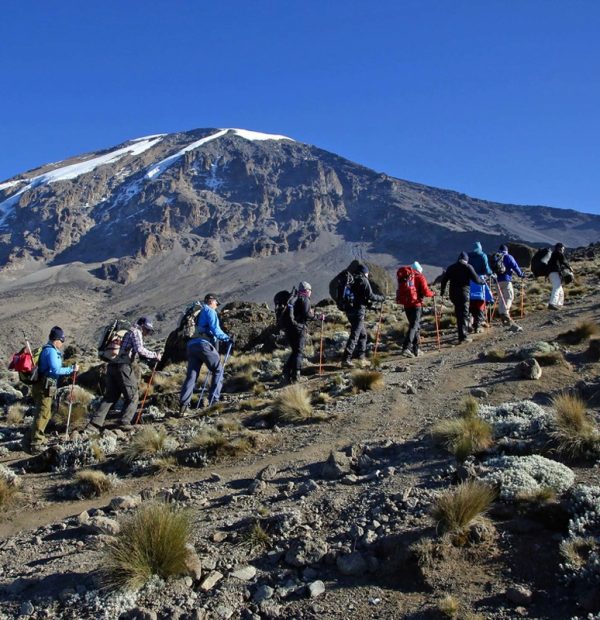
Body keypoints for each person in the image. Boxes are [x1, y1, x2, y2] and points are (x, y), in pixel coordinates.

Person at [88, 317, 161, 430]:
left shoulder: (128, 331)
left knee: (110, 396)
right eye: (147, 329)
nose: (147, 332)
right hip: (123, 366)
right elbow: (140, 349)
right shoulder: (136, 331)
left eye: (149, 331)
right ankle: (124, 421)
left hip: (112, 366)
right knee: (133, 396)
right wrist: (155, 355)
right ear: (141, 325)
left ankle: (93, 424)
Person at [28, 326, 78, 453]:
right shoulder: (50, 351)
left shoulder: (50, 350)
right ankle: (36, 443)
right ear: (56, 339)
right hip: (44, 386)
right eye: (61, 341)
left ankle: (35, 437)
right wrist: (71, 369)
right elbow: (56, 369)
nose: (62, 344)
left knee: (46, 411)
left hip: (46, 385)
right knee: (43, 412)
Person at [179, 294, 232, 414]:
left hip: (191, 346)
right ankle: (214, 401)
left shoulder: (196, 313)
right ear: (211, 301)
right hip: (203, 344)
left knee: (192, 376)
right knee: (218, 369)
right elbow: (215, 329)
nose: (217, 306)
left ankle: (183, 406)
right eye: (216, 303)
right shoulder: (210, 311)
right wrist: (227, 338)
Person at [342, 264, 385, 367]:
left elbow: (360, 296)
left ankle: (361, 358)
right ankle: (346, 359)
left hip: (349, 311)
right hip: (358, 312)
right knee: (355, 335)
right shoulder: (363, 280)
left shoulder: (351, 280)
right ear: (364, 272)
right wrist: (381, 298)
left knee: (363, 334)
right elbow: (370, 295)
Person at [440, 252, 483, 344]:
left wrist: (442, 291)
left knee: (459, 313)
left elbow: (444, 280)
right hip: (463, 294)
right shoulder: (468, 267)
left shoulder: (451, 267)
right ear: (466, 259)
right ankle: (463, 337)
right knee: (464, 314)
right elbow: (476, 279)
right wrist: (483, 282)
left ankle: (463, 332)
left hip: (453, 294)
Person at [399, 261, 434, 357]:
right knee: (414, 326)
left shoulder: (405, 277)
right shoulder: (419, 277)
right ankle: (406, 347)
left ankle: (416, 349)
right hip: (416, 305)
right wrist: (433, 294)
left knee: (414, 326)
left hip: (406, 305)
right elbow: (426, 292)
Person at [282, 281, 315, 383]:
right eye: (310, 290)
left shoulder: (294, 299)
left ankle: (286, 374)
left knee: (295, 351)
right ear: (306, 290)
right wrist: (316, 316)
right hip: (299, 328)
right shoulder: (305, 299)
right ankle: (296, 376)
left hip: (289, 328)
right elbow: (306, 315)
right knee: (299, 352)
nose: (310, 292)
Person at [495, 244, 525, 325]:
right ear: (506, 250)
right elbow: (515, 266)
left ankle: (501, 313)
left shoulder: (496, 257)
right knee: (509, 296)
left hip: (496, 281)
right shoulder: (508, 257)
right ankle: (505, 313)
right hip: (506, 280)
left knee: (501, 298)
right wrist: (521, 274)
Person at [467, 242, 492, 331]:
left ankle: (469, 323)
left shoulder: (468, 256)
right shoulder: (482, 255)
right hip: (479, 280)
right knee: (480, 301)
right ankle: (477, 325)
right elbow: (487, 269)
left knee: (471, 303)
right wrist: (490, 273)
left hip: (469, 281)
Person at [547, 243, 572, 310]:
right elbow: (564, 261)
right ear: (560, 248)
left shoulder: (554, 254)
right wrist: (570, 268)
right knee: (557, 287)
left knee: (559, 288)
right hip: (554, 273)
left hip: (552, 273)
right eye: (563, 248)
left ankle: (559, 304)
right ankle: (552, 304)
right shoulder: (558, 253)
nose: (563, 250)